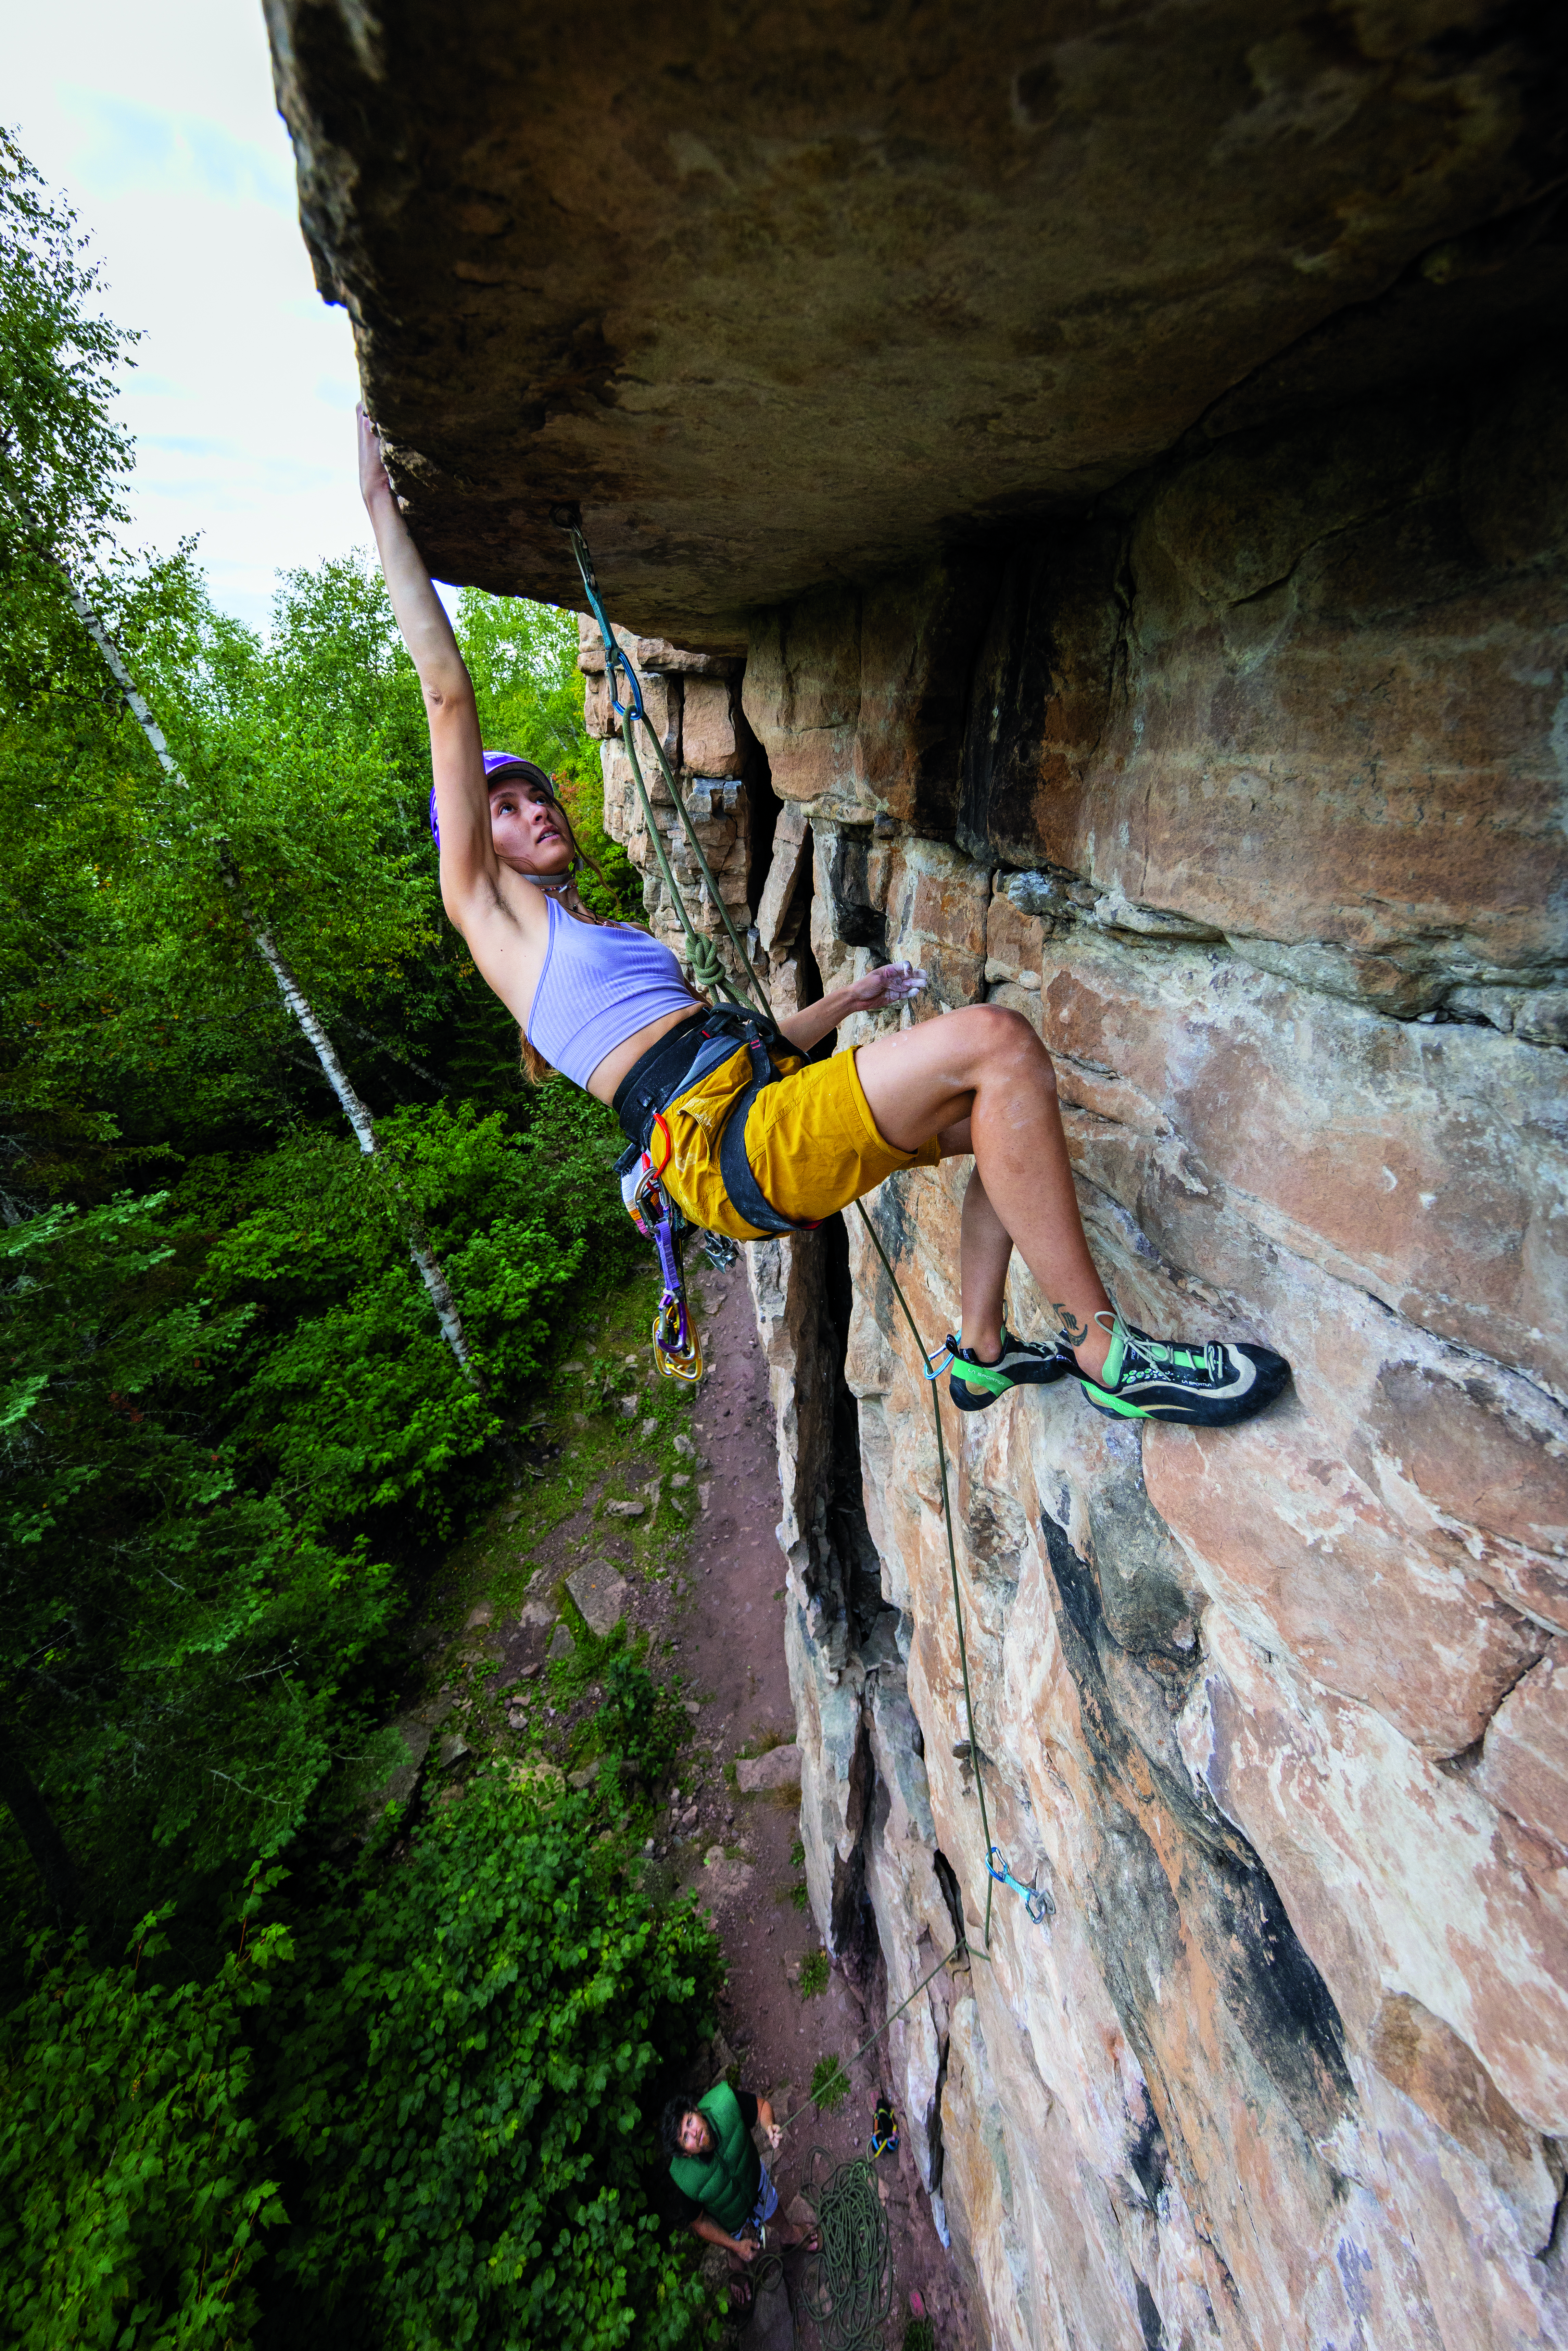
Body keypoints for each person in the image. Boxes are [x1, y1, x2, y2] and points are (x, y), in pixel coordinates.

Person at [358, 410, 1288, 1427]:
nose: (534, 808)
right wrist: (379, 509)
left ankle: (977, 1351)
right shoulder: (496, 924)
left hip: (744, 1112)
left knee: (1000, 1120)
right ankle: (1111, 1352)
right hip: (732, 1148)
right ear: (471, 845)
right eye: (503, 806)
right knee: (998, 1044)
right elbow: (448, 697)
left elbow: (745, 1043)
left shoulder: (605, 944)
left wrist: (850, 995)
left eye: (537, 793)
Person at [659, 2084, 815, 2313]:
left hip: (754, 2180)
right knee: (734, 2250)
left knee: (775, 2212)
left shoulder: (725, 2104)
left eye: (690, 2122)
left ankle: (790, 2235)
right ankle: (737, 2267)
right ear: (685, 2153)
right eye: (686, 2137)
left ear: (697, 2111)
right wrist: (735, 2245)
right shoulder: (686, 2179)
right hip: (726, 2216)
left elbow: (761, 2108)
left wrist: (769, 2126)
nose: (694, 2133)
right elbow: (700, 2222)